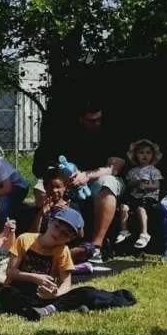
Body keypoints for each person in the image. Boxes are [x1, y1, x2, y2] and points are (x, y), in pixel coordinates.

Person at [32, 108, 124, 260]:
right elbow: (46, 166)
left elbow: (114, 168)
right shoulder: (66, 135)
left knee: (108, 182)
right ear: (81, 119)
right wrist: (64, 177)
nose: (97, 123)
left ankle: (96, 247)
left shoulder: (111, 134)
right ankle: (42, 243)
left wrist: (85, 176)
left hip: (96, 182)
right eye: (91, 120)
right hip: (67, 181)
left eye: (99, 119)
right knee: (41, 186)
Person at [0, 207, 111, 320]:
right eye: (57, 227)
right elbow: (10, 272)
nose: (58, 234)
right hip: (19, 290)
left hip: (43, 295)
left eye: (64, 233)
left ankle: (44, 309)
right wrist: (35, 278)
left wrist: (55, 294)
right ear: (49, 222)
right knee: (7, 294)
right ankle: (51, 309)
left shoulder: (63, 251)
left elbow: (66, 283)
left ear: (69, 239)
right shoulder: (25, 239)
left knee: (86, 293)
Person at [115, 139, 164, 251]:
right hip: (134, 197)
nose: (144, 155)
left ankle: (144, 234)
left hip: (148, 198)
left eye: (148, 153)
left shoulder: (153, 170)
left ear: (153, 155)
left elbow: (157, 185)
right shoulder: (133, 171)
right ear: (135, 156)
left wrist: (146, 186)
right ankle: (124, 231)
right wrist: (135, 183)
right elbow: (129, 184)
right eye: (141, 153)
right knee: (123, 207)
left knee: (140, 209)